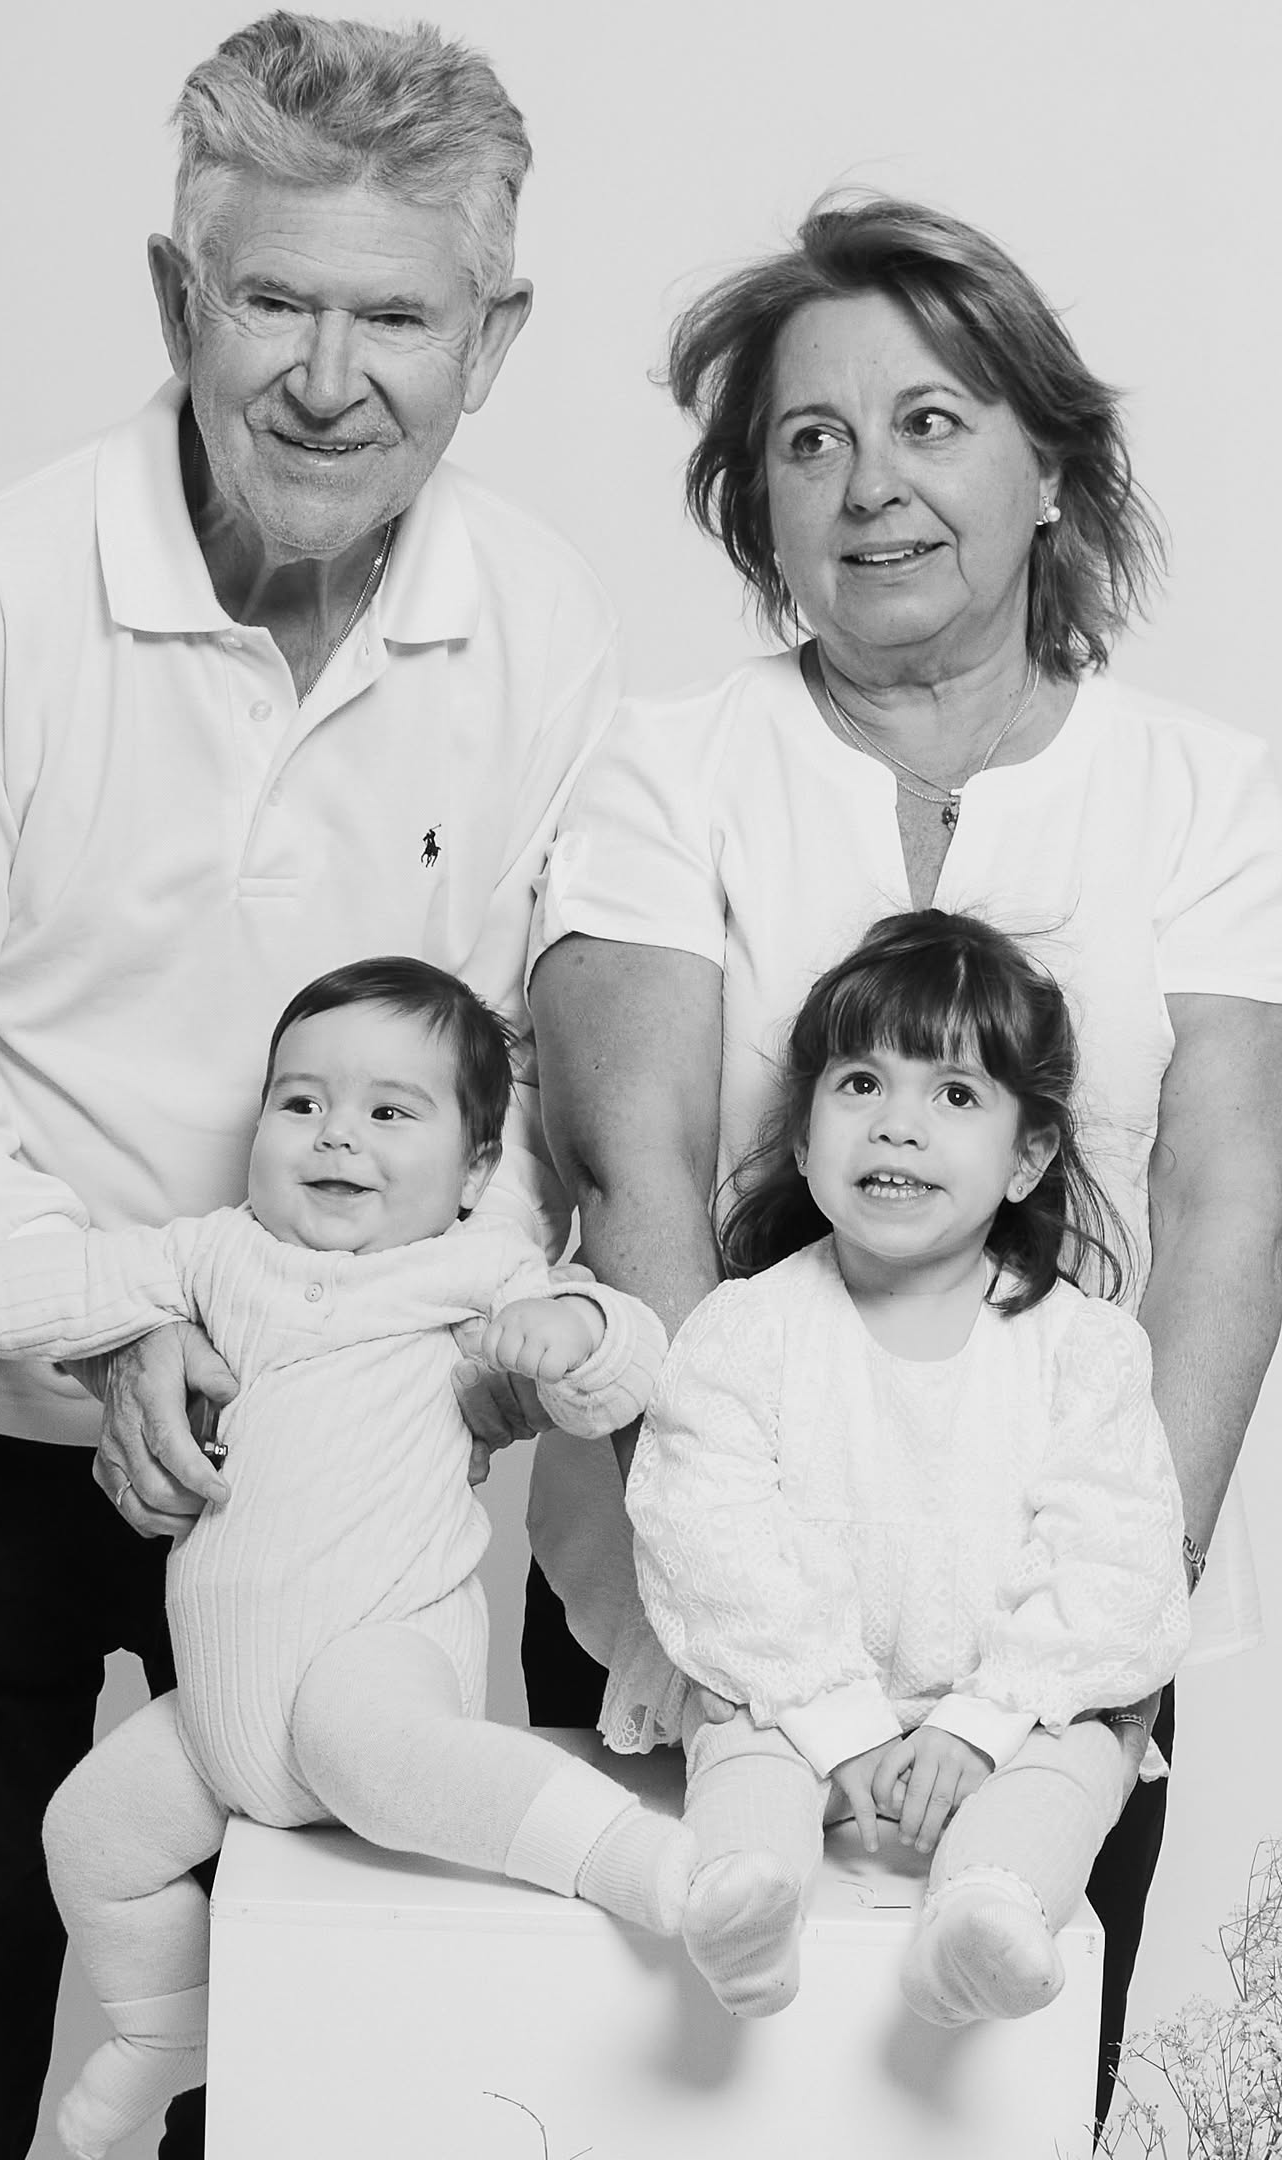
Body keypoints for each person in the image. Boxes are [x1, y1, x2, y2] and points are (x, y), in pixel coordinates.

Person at [0, 18, 620, 2158]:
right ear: (176, 299)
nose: (328, 374)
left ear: (497, 337)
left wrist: (463, 1341)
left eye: (398, 314)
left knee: (310, 2022)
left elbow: (532, 1085)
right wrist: (114, 1322)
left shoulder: (542, 623)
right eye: (273, 297)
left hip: (346, 1468)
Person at [523, 193, 1282, 2115]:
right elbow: (645, 1174)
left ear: (1053, 467)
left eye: (932, 422)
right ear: (754, 509)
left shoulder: (1205, 795)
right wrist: (769, 1662)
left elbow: (1228, 1202)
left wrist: (1075, 1657)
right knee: (655, 2110)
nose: (872, 486)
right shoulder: (663, 768)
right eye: (810, 440)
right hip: (687, 1627)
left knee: (981, 2110)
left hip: (1055, 1659)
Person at [0, 960, 705, 2158]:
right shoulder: (212, 1257)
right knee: (86, 1838)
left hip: (376, 1667)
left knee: (365, 1746)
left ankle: (661, 1874)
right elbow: (59, 1283)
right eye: (301, 1104)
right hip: (220, 1717)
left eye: (390, 1113)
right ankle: (161, 2032)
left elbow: (636, 1363)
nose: (336, 1134)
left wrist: (575, 1333)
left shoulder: (475, 1275)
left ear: (471, 1172)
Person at [602, 911, 1189, 2028]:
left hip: (1003, 1712)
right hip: (798, 1688)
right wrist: (835, 1720)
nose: (899, 1128)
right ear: (808, 1129)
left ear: (1029, 1158)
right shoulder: (746, 1332)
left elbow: (1112, 1563)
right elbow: (710, 1545)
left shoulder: (1085, 1352)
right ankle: (745, 1902)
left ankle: (986, 1918)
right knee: (740, 1735)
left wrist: (985, 1721)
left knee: (1085, 1753)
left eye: (956, 1096)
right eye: (861, 1085)